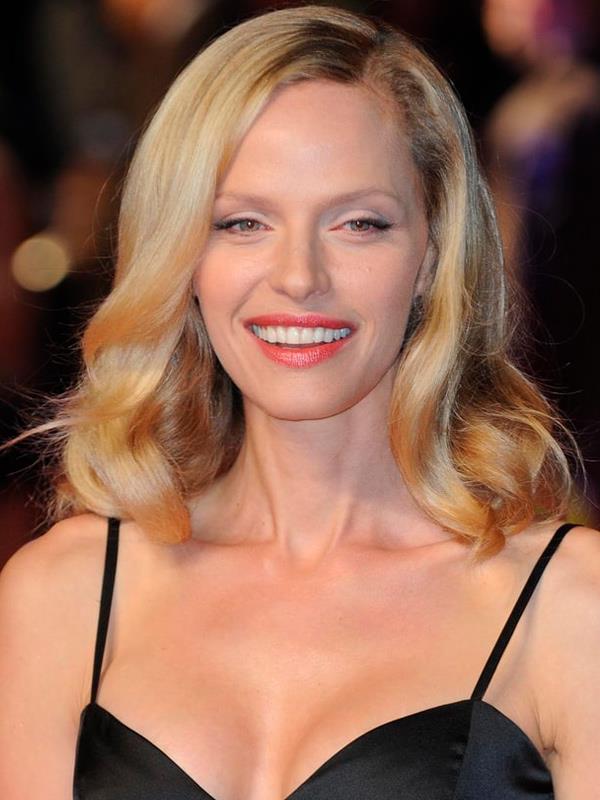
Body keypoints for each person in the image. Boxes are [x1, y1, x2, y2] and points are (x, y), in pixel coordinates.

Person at [0, 5, 598, 799]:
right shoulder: (63, 594)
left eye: (359, 223)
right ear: (183, 252)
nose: (298, 278)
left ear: (432, 252)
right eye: (243, 222)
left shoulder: (568, 606)